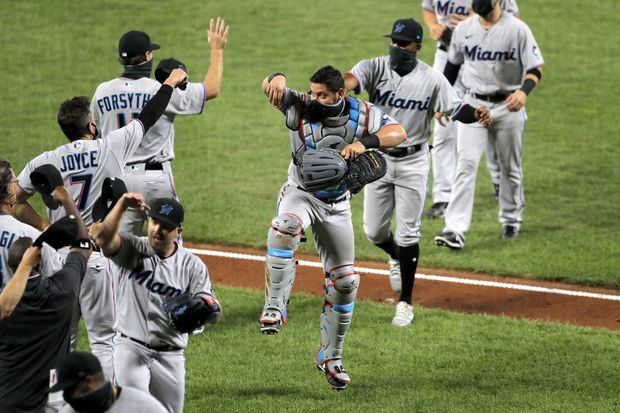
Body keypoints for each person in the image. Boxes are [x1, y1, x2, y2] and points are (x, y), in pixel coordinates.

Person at [12, 68, 188, 379]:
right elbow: (148, 116)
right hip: (94, 259)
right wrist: (170, 84)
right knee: (105, 342)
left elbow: (15, 199)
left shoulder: (45, 160)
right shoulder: (111, 146)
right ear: (91, 125)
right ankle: (109, 405)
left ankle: (58, 406)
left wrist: (44, 227)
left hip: (56, 262)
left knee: (61, 342)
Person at [259, 65, 407, 390]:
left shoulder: (363, 114)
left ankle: (331, 356)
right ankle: (275, 304)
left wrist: (365, 143)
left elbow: (399, 132)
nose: (315, 99)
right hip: (300, 193)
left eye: (322, 94)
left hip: (338, 204)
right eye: (313, 92)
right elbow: (269, 84)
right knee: (285, 227)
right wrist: (278, 79)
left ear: (340, 94)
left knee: (346, 282)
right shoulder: (299, 106)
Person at [344, 18, 491, 326]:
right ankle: (396, 256)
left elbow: (456, 108)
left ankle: (405, 303)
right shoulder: (374, 67)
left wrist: (475, 114)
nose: (397, 48)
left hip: (413, 162)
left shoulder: (432, 79)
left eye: (403, 44)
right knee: (374, 231)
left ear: (417, 47)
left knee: (409, 231)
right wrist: (341, 87)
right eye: (394, 42)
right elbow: (352, 79)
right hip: (378, 159)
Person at [91, 18, 229, 235]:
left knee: (122, 251)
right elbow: (210, 89)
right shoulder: (163, 90)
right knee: (169, 245)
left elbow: (94, 135)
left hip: (120, 180)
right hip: (156, 180)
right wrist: (216, 49)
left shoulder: (102, 92)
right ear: (147, 56)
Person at [95, 193, 221, 413]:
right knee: (134, 409)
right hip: (131, 348)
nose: (157, 230)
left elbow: (213, 309)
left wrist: (206, 308)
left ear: (178, 232)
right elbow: (104, 240)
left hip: (170, 355)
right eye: (154, 222)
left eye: (166, 226)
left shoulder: (192, 266)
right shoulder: (132, 248)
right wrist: (122, 204)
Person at [434, 0, 544, 249]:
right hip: (474, 105)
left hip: (508, 106)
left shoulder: (517, 29)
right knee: (466, 164)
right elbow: (452, 66)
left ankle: (511, 220)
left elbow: (536, 67)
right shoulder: (464, 30)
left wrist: (524, 92)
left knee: (510, 168)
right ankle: (454, 230)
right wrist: (444, 101)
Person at [422, 0, 520, 218]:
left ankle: (498, 181)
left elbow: (515, 20)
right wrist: (433, 27)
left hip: (482, 58)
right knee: (443, 128)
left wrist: (477, 23)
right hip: (446, 55)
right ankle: (443, 197)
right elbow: (428, 8)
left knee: (491, 119)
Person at [0, 184, 92, 413]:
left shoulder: (5, 313)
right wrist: (68, 201)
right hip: (46, 398)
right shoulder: (62, 294)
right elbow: (81, 247)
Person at [0, 159, 63, 288]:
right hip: (16, 306)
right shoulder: (28, 236)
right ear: (9, 189)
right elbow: (58, 272)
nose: (17, 185)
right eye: (15, 182)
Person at [52, 352, 168, 413]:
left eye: (70, 389)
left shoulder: (143, 406)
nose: (66, 396)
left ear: (89, 382)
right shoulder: (68, 411)